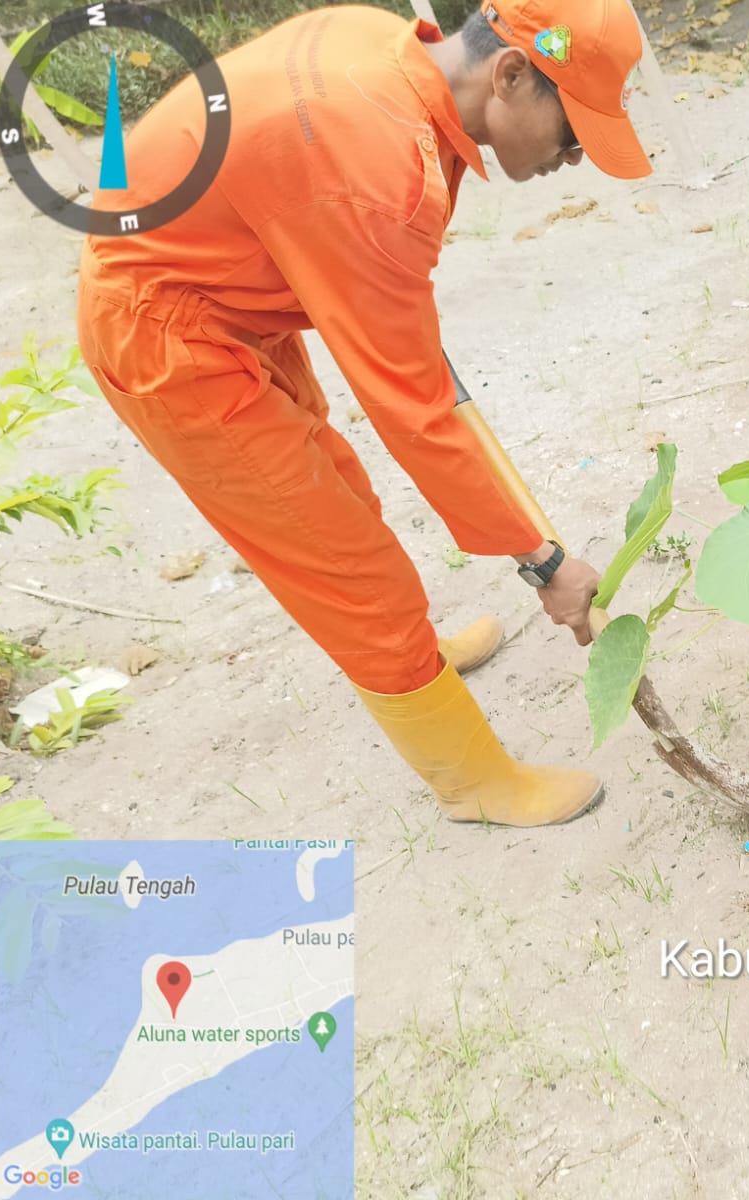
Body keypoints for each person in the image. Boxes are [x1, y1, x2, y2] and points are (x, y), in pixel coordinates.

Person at [78, 0, 653, 828]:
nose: (577, 156)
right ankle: (472, 783)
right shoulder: (374, 170)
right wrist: (545, 561)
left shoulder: (381, 49)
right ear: (513, 73)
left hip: (231, 283)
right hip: (168, 332)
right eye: (572, 132)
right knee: (343, 565)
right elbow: (415, 410)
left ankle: (422, 658)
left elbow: (402, 348)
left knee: (338, 490)